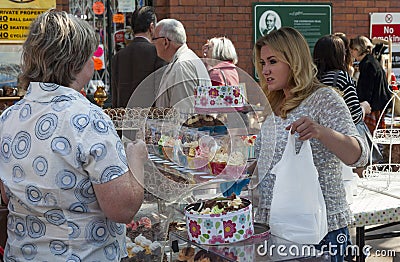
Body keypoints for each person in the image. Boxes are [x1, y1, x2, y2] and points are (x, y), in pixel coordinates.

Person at [0, 10, 146, 261]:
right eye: (90, 55)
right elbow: (122, 209)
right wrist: (136, 160)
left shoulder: (8, 118)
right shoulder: (88, 118)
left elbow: (7, 194)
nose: (93, 61)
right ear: (74, 63)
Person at [253, 27, 368, 261]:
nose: (265, 70)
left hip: (318, 227)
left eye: (273, 61)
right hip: (277, 224)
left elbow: (360, 155)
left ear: (294, 60)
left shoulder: (323, 97)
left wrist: (321, 132)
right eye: (263, 62)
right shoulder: (275, 102)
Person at [111, 6, 167, 108]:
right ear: (151, 27)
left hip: (124, 119)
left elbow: (115, 98)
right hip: (150, 119)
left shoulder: (118, 56)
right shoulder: (158, 53)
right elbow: (162, 93)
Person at [153, 18, 211, 109]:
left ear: (165, 42)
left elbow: (184, 114)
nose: (153, 43)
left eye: (154, 39)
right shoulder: (185, 60)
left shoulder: (182, 66)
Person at [350, 35, 392, 134]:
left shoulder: (368, 64)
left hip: (374, 106)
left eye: (352, 50)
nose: (351, 52)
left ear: (357, 49)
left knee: (371, 136)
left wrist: (360, 105)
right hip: (379, 104)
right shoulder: (371, 61)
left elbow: (366, 89)